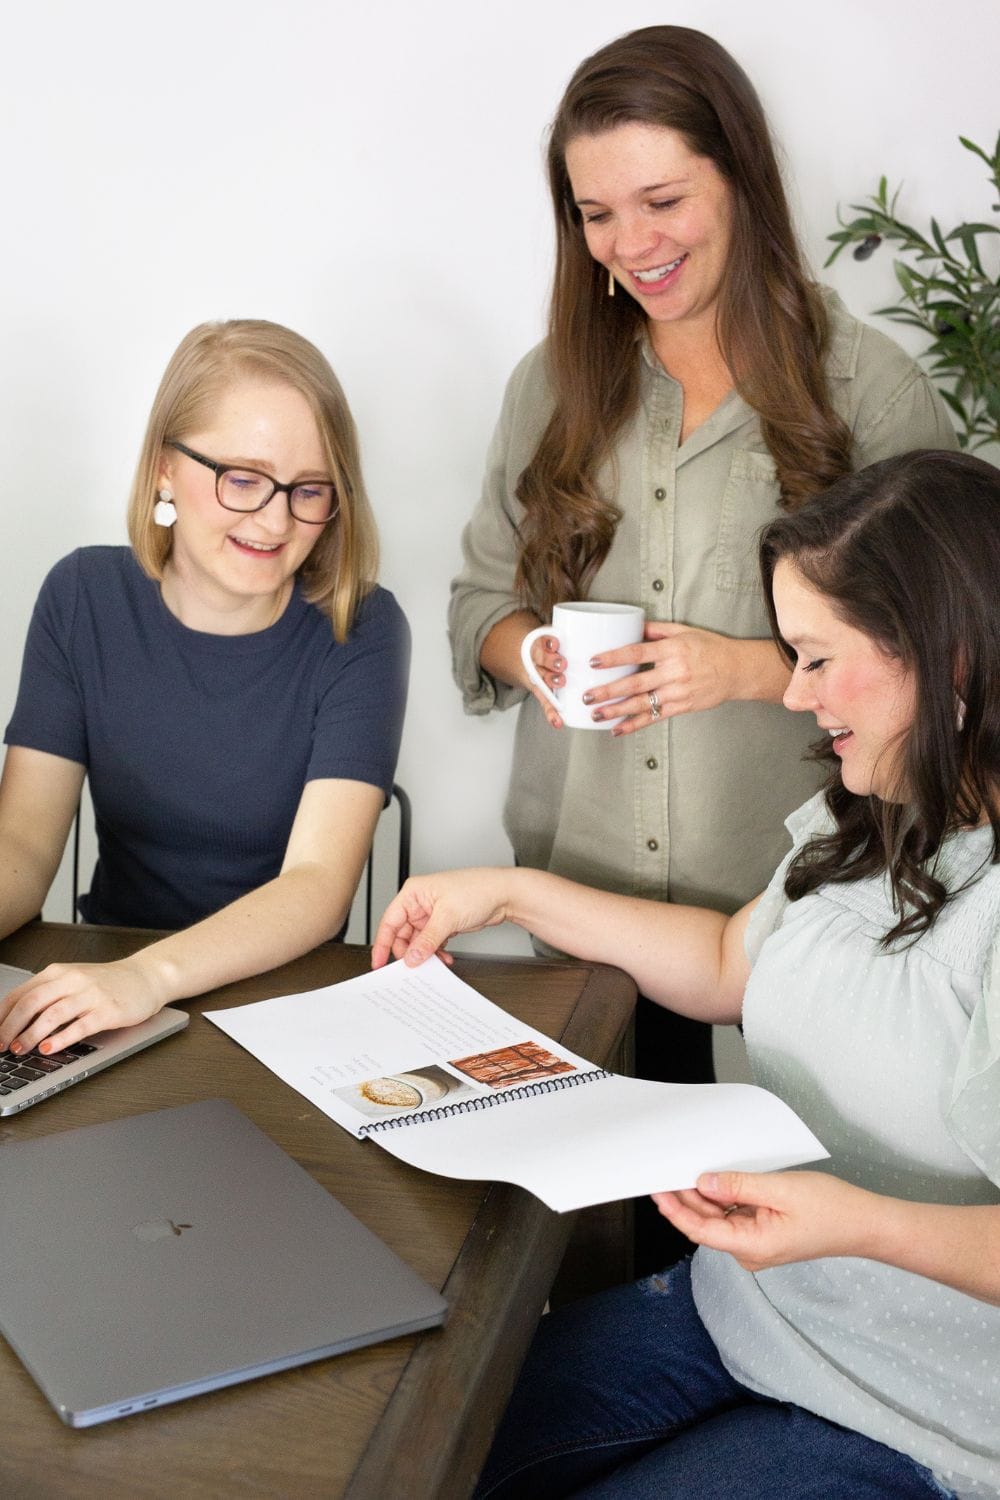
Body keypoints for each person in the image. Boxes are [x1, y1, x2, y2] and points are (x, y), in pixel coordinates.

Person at [379, 450, 1000, 1499]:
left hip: (915, 1409)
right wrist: (510, 895)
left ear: (949, 660)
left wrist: (855, 1222)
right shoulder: (881, 807)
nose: (792, 694)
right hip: (753, 1304)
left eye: (815, 658)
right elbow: (725, 961)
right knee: (417, 1445)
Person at [448, 23, 958, 1267]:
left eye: (662, 200)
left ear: (738, 174)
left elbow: (953, 647)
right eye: (596, 214)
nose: (632, 243)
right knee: (572, 1265)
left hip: (789, 922)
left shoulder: (870, 389)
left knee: (765, 1260)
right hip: (580, 913)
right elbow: (477, 604)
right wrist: (530, 654)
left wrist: (746, 669)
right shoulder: (549, 386)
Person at [0, 318, 409, 1059]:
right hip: (107, 992)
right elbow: (21, 843)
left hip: (283, 1006)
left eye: (310, 489)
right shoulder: (81, 596)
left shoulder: (363, 627)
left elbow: (317, 885)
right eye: (243, 479)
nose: (276, 520)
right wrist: (124, 979)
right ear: (164, 469)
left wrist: (147, 977)